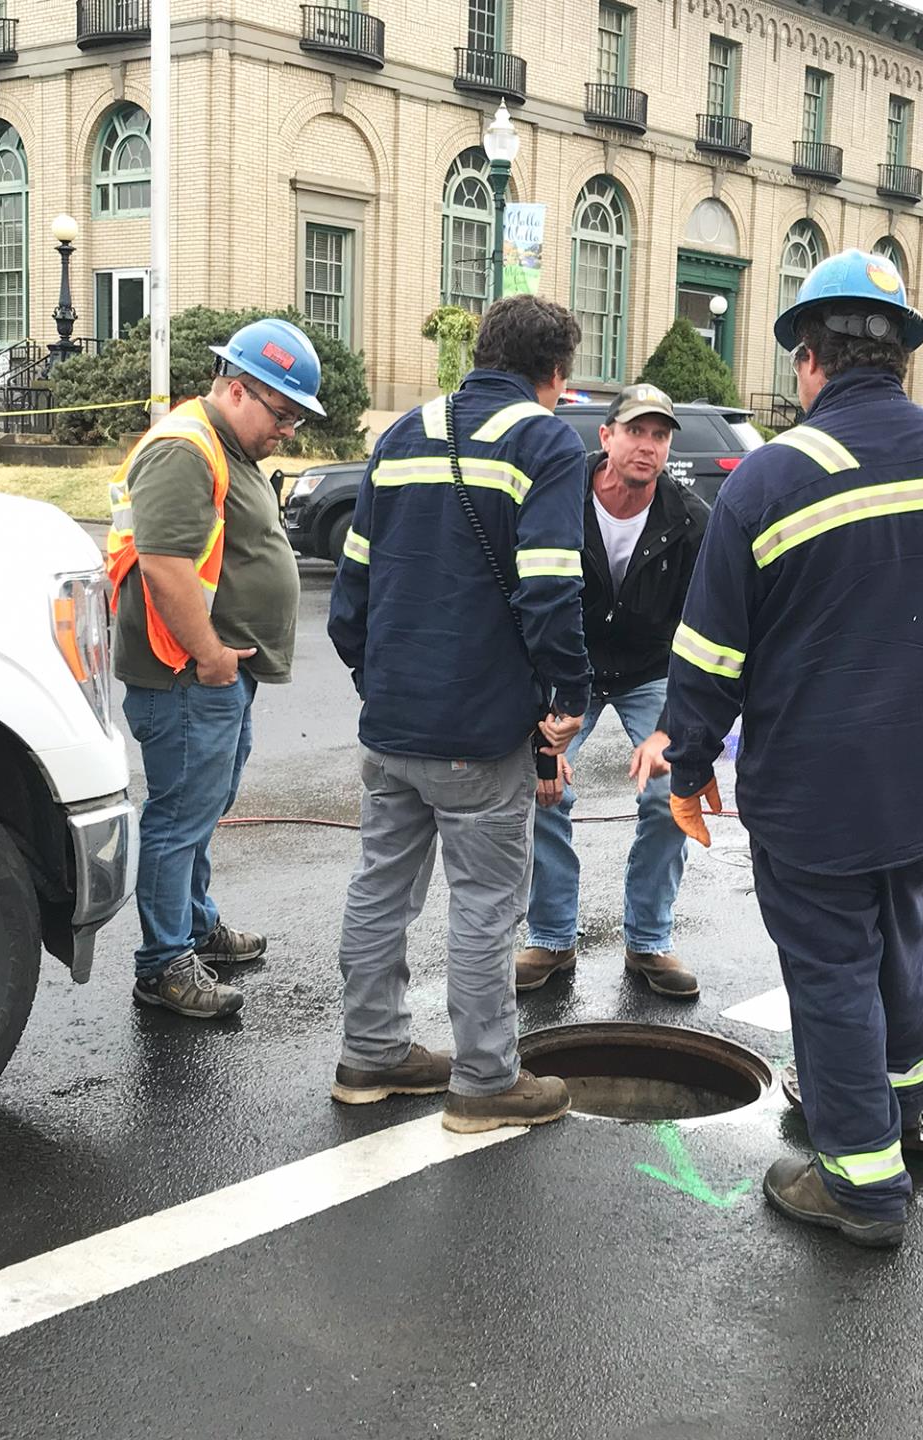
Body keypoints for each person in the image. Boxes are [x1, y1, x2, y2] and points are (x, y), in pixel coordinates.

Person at [635, 251, 923, 1247]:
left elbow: (708, 655)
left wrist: (689, 767)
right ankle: (904, 1080)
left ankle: (860, 1184)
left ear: (811, 361)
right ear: (901, 358)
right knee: (895, 918)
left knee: (831, 964)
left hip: (816, 779)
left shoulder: (771, 478)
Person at [328, 295, 591, 1134]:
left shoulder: (402, 434)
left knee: (380, 887)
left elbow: (351, 591)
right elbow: (550, 584)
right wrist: (568, 696)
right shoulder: (545, 438)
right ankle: (485, 1081)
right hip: (479, 732)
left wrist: (379, 679)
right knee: (485, 904)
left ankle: (370, 1056)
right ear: (554, 375)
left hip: (393, 721)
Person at [106, 317, 321, 1020]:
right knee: (177, 818)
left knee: (203, 808)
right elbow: (165, 566)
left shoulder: (221, 445)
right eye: (283, 413)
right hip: (187, 678)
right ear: (237, 389)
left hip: (211, 678)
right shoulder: (185, 449)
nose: (287, 430)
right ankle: (164, 965)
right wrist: (211, 658)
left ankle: (196, 926)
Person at [517, 383, 711, 1001]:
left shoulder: (689, 520)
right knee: (543, 788)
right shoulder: (558, 498)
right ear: (606, 438)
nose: (647, 446)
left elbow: (705, 629)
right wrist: (542, 732)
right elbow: (526, 604)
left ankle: (649, 941)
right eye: (636, 431)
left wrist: (674, 726)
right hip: (566, 667)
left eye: (659, 435)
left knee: (669, 792)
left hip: (651, 670)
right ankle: (551, 937)